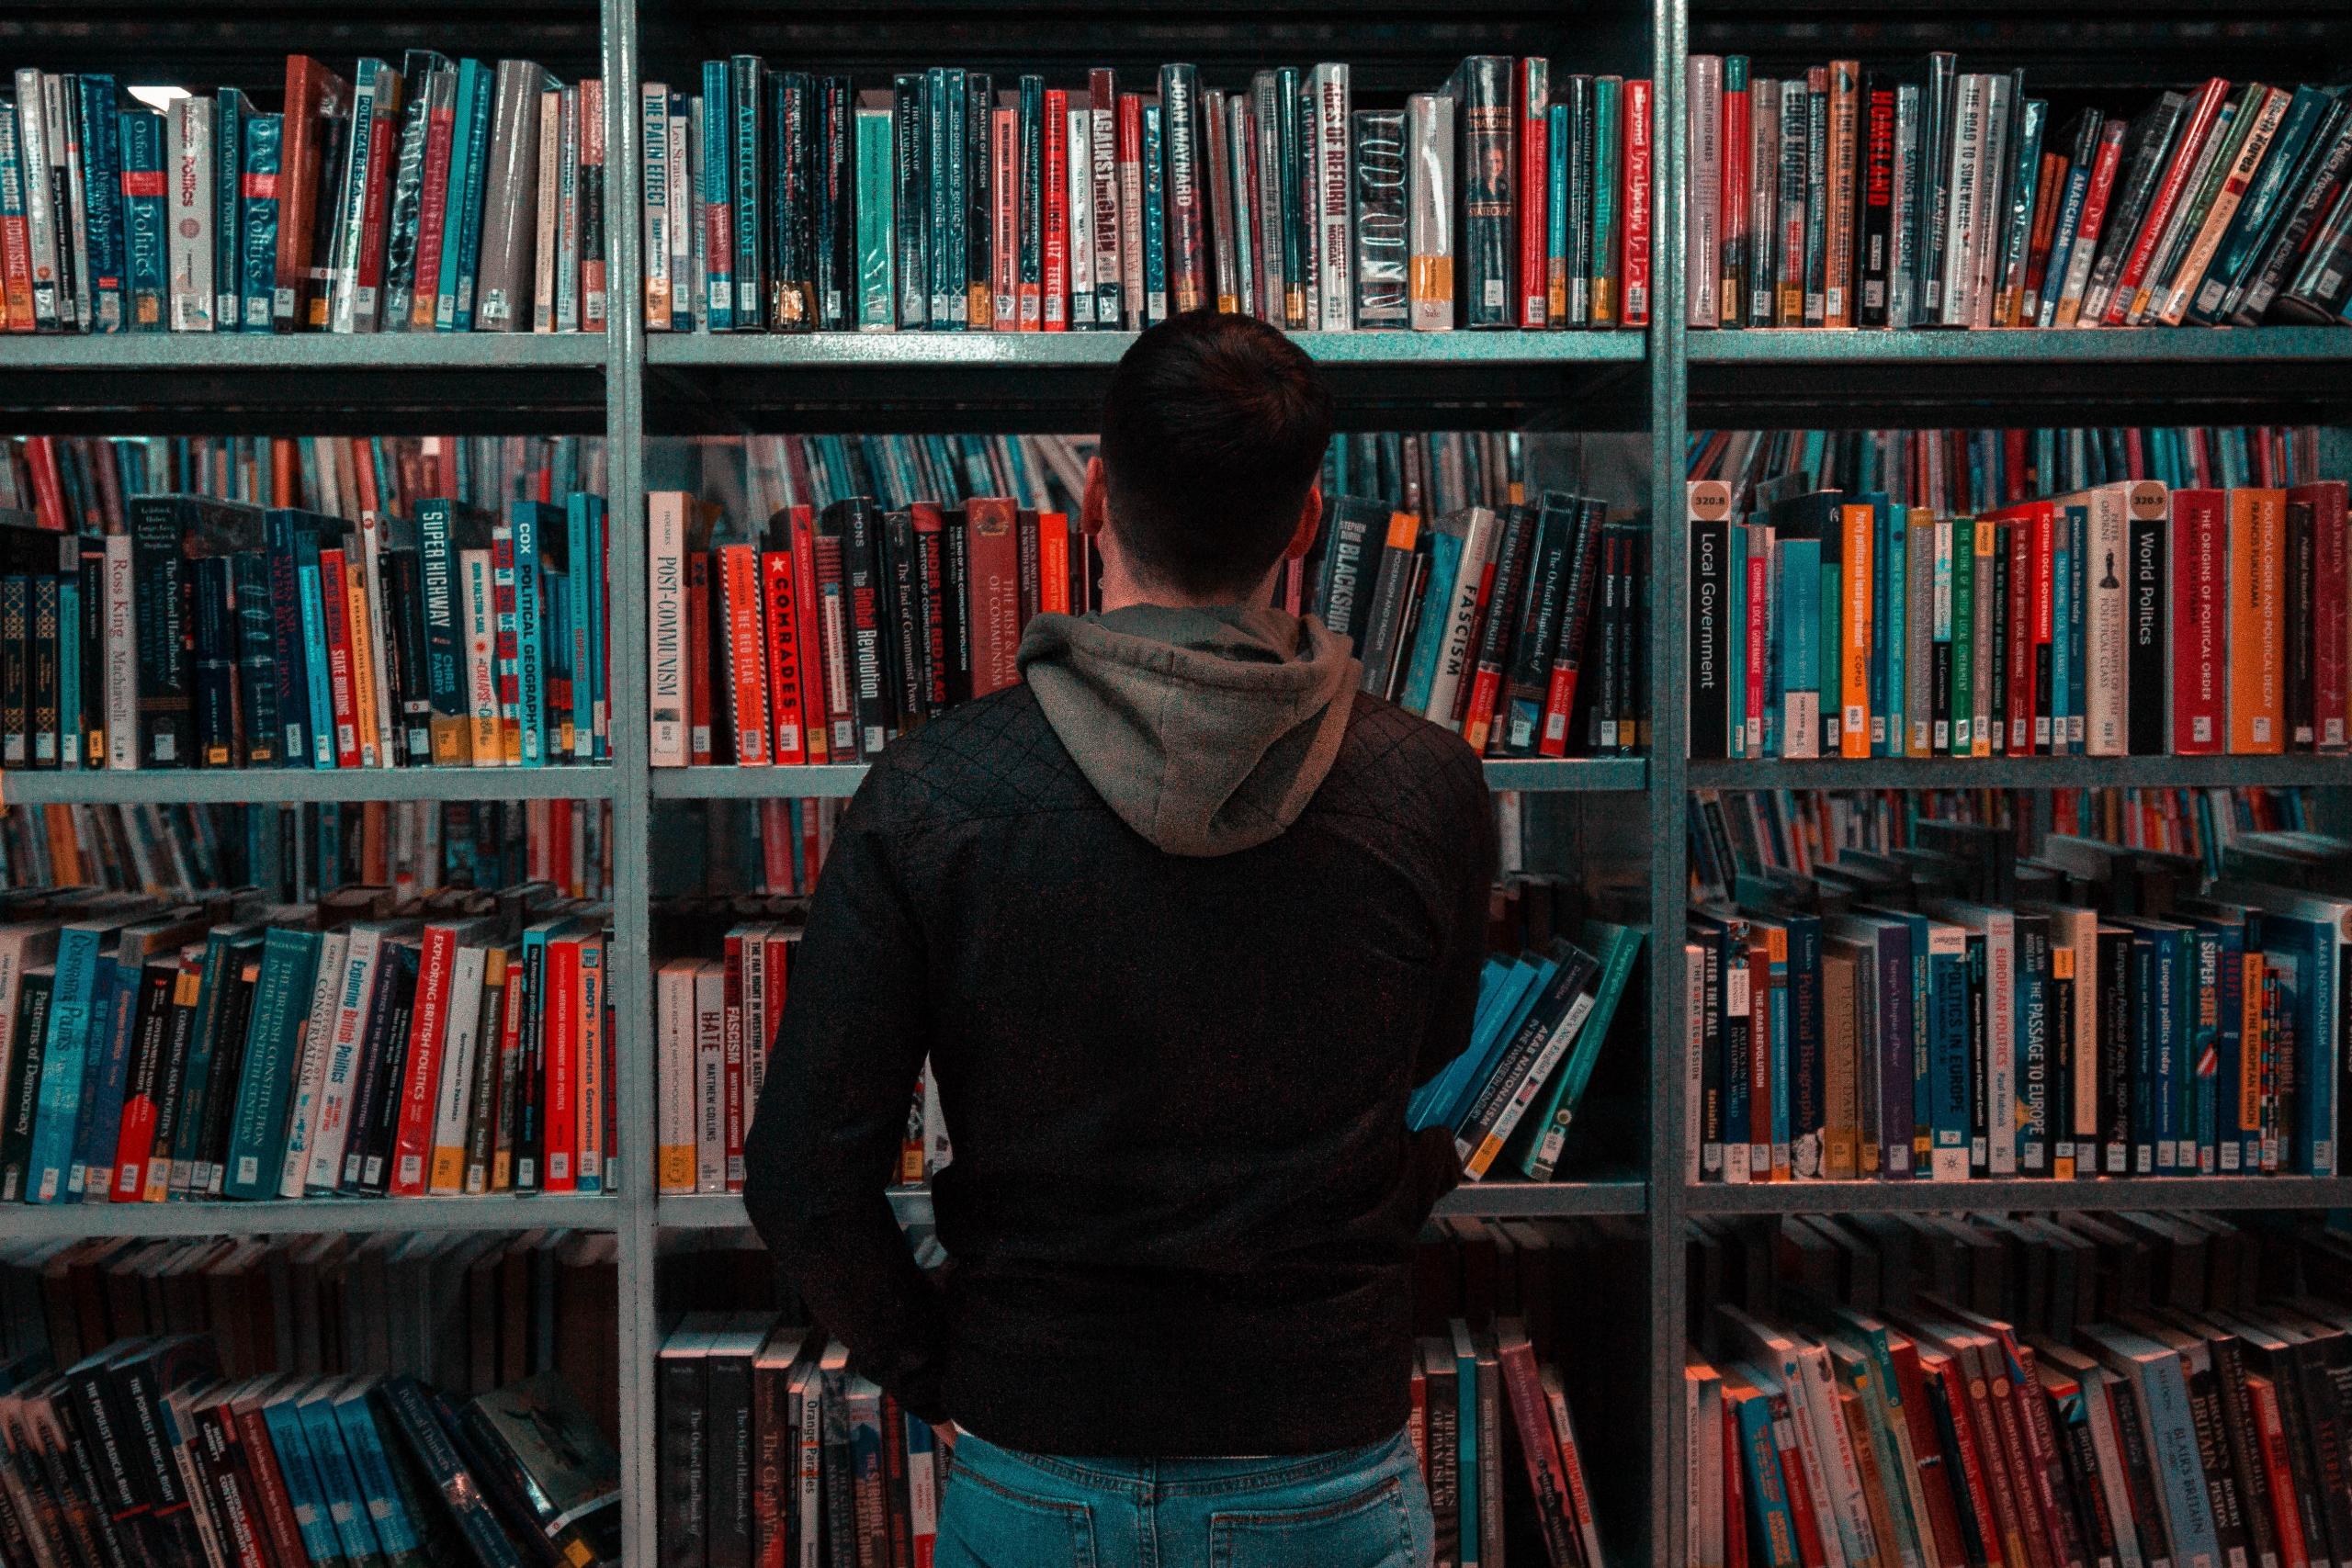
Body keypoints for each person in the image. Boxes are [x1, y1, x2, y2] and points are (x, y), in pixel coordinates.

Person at [743, 309, 1494, 1568]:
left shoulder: (941, 790)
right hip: (1320, 1446)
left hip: (1038, 1447)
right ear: (1306, 523)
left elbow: (802, 1175)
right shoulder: (1427, 788)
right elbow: (1429, 1057)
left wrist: (954, 1366)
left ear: (1092, 496)